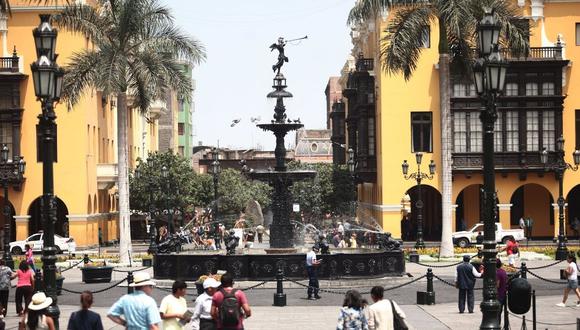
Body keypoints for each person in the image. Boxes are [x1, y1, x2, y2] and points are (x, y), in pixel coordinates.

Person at [495, 259, 508, 324]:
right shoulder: (503, 271)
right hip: (503, 294)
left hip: (498, 294)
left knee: (496, 313)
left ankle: (497, 325)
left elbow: (497, 285)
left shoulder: (497, 273)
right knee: (499, 313)